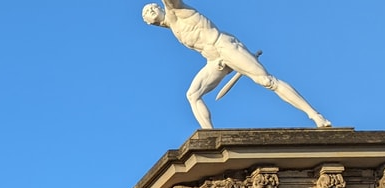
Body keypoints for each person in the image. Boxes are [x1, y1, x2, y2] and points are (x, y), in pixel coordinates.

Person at [141, 1, 330, 130]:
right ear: (149, 23)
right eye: (147, 13)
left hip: (224, 46)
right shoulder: (174, 29)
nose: (150, 10)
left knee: (267, 81)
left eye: (152, 7)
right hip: (214, 60)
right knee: (192, 95)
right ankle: (209, 135)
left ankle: (315, 115)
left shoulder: (177, 11)